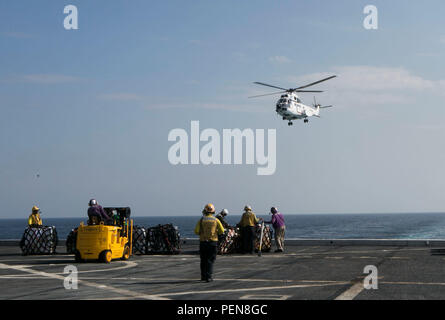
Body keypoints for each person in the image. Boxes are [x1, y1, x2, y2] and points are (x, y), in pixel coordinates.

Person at [194, 203, 225, 282]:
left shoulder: (201, 220)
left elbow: (196, 231)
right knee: (210, 260)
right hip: (212, 242)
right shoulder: (216, 220)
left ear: (205, 210)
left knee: (203, 259)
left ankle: (203, 276)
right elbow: (221, 231)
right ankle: (209, 276)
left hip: (203, 242)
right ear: (213, 211)